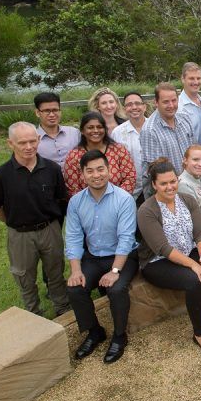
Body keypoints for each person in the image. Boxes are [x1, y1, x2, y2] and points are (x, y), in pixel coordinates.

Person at [137, 158, 201, 353]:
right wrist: (195, 266)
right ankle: (200, 333)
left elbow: (200, 233)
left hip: (188, 251)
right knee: (196, 279)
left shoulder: (187, 200)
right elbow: (163, 248)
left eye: (173, 181)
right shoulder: (147, 210)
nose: (170, 187)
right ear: (154, 184)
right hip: (157, 261)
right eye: (163, 183)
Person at [0, 122, 70, 316]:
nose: (29, 147)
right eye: (22, 142)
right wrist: (13, 221)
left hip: (49, 229)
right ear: (10, 143)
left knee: (56, 272)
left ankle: (63, 309)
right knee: (24, 277)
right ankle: (33, 313)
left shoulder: (51, 169)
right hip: (20, 234)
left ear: (39, 139)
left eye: (33, 141)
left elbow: (60, 197)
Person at [64, 150, 138, 363]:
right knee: (75, 288)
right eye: (90, 171)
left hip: (123, 256)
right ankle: (95, 331)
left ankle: (119, 336)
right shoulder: (76, 202)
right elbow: (73, 237)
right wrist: (76, 270)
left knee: (115, 289)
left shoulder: (124, 199)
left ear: (108, 170)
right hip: (93, 256)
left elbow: (126, 238)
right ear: (82, 174)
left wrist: (115, 271)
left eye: (100, 169)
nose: (96, 175)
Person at [139, 82, 198, 196]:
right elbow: (156, 172)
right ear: (156, 102)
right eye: (166, 102)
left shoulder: (184, 118)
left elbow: (193, 152)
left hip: (190, 185)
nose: (171, 105)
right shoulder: (150, 130)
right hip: (166, 192)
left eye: (174, 100)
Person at [63, 112, 136, 198]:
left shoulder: (119, 150)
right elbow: (73, 188)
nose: (96, 130)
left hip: (118, 203)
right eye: (90, 128)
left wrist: (115, 200)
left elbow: (130, 178)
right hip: (87, 206)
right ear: (82, 131)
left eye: (99, 127)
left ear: (105, 129)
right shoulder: (74, 156)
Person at [111, 92, 147, 203]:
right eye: (129, 104)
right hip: (130, 190)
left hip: (154, 187)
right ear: (125, 108)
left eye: (137, 103)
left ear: (144, 107)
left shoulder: (155, 127)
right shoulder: (117, 133)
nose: (134, 107)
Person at [34, 92, 80, 168]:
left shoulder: (74, 133)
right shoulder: (32, 139)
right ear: (38, 113)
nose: (52, 115)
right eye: (47, 111)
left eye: (55, 110)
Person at [177, 62, 201, 144]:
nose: (196, 82)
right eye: (191, 78)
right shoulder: (179, 106)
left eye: (198, 78)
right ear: (183, 79)